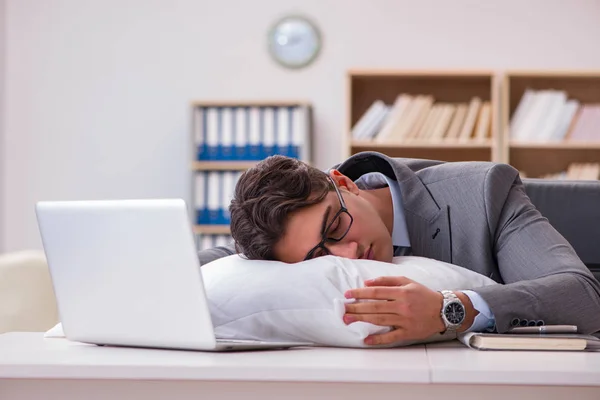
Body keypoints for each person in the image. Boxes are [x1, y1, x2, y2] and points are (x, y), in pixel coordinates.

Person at [197, 151, 600, 345]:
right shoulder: (295, 236)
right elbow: (219, 261)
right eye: (319, 257)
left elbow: (582, 295)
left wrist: (452, 308)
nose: (349, 253)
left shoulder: (483, 193)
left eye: (336, 226)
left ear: (345, 183)